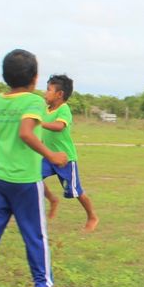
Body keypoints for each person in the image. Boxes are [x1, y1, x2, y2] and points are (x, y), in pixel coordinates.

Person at [0, 49, 68, 287]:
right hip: (25, 182)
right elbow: (26, 133)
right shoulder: (33, 102)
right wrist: (52, 156)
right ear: (34, 77)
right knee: (35, 236)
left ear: (5, 76)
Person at [40, 74, 99, 231]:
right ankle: (52, 199)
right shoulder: (44, 110)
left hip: (65, 160)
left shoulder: (64, 110)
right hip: (47, 156)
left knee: (75, 191)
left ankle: (92, 216)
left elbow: (59, 126)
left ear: (59, 94)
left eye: (48, 90)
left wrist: (40, 123)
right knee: (33, 178)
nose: (45, 93)